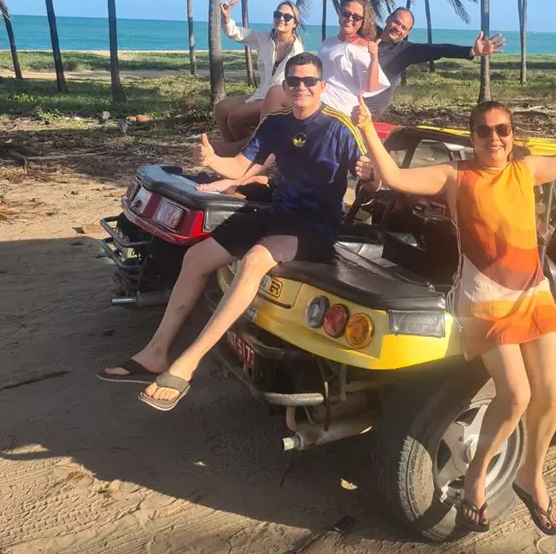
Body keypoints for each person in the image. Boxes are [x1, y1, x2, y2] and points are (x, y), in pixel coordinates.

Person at [354, 82, 556, 535]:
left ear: (512, 133)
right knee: (516, 396)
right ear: (471, 137)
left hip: (533, 293)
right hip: (485, 299)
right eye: (484, 131)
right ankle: (476, 476)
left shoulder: (524, 171)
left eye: (502, 130)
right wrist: (369, 128)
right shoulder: (456, 176)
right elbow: (394, 177)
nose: (495, 139)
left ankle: (531, 474)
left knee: (551, 393)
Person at [97, 52, 366, 409]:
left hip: (315, 226)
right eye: (294, 81)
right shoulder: (277, 123)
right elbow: (240, 164)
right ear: (285, 86)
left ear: (322, 86)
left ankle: (188, 362)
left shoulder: (339, 127)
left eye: (309, 81)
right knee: (196, 257)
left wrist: (368, 172)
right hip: (278, 211)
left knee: (254, 260)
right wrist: (212, 162)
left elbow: (368, 175)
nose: (301, 87)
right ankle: (156, 353)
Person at [319, 0, 505, 115]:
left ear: (407, 33)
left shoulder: (405, 52)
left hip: (369, 111)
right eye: (396, 22)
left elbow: (438, 50)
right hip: (345, 100)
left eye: (404, 28)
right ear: (387, 19)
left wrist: (471, 50)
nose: (398, 29)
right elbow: (351, 0)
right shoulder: (369, 31)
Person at [213, 0, 304, 148]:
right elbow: (239, 34)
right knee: (221, 109)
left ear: (295, 24)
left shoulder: (297, 51)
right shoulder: (264, 39)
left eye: (287, 17)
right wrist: (226, 19)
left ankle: (251, 153)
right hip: (260, 94)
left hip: (279, 101)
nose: (281, 18)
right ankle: (236, 152)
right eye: (277, 14)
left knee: (235, 119)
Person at [318, 0, 390, 116]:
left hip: (341, 112)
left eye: (356, 17)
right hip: (319, 105)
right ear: (340, 14)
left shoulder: (362, 48)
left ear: (362, 22)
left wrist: (374, 58)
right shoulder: (328, 42)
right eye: (346, 13)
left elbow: (369, 86)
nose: (350, 19)